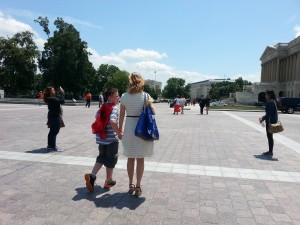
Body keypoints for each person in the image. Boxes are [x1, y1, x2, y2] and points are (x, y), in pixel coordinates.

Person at [119, 72, 155, 197]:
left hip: (129, 128)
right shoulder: (146, 96)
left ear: (130, 82)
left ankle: (130, 184)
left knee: (130, 158)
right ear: (141, 82)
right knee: (140, 158)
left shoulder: (124, 96)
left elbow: (121, 115)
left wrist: (119, 130)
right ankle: (138, 185)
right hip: (142, 129)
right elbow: (153, 112)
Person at [85, 88, 122, 192]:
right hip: (111, 140)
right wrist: (118, 133)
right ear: (110, 98)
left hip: (102, 139)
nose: (118, 97)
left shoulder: (102, 107)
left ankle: (92, 176)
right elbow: (113, 121)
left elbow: (97, 117)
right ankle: (108, 180)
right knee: (111, 160)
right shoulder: (114, 108)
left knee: (101, 157)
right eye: (117, 96)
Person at [43, 86, 65, 151]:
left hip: (52, 116)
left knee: (52, 131)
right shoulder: (52, 99)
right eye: (53, 90)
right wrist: (62, 93)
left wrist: (60, 94)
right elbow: (62, 101)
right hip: (55, 117)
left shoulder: (49, 98)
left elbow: (59, 100)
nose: (54, 91)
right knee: (55, 131)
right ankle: (53, 146)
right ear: (49, 92)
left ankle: (50, 145)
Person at [259, 90, 278, 157]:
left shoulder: (271, 102)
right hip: (270, 121)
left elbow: (269, 113)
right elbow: (269, 113)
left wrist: (263, 118)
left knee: (270, 137)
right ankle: (270, 151)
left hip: (270, 122)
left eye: (266, 94)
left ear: (269, 95)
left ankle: (270, 151)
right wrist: (263, 117)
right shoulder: (272, 102)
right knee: (270, 137)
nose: (265, 96)